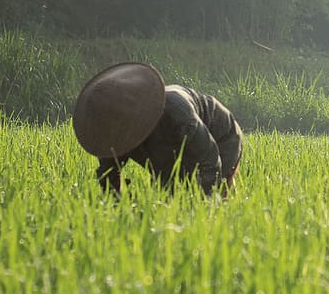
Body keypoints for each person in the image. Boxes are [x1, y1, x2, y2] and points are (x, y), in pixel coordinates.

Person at [72, 62, 243, 197]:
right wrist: (119, 207)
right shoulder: (114, 133)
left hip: (219, 136)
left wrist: (202, 206)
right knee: (169, 197)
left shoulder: (176, 111)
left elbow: (209, 161)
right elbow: (108, 174)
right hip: (168, 150)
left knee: (208, 195)